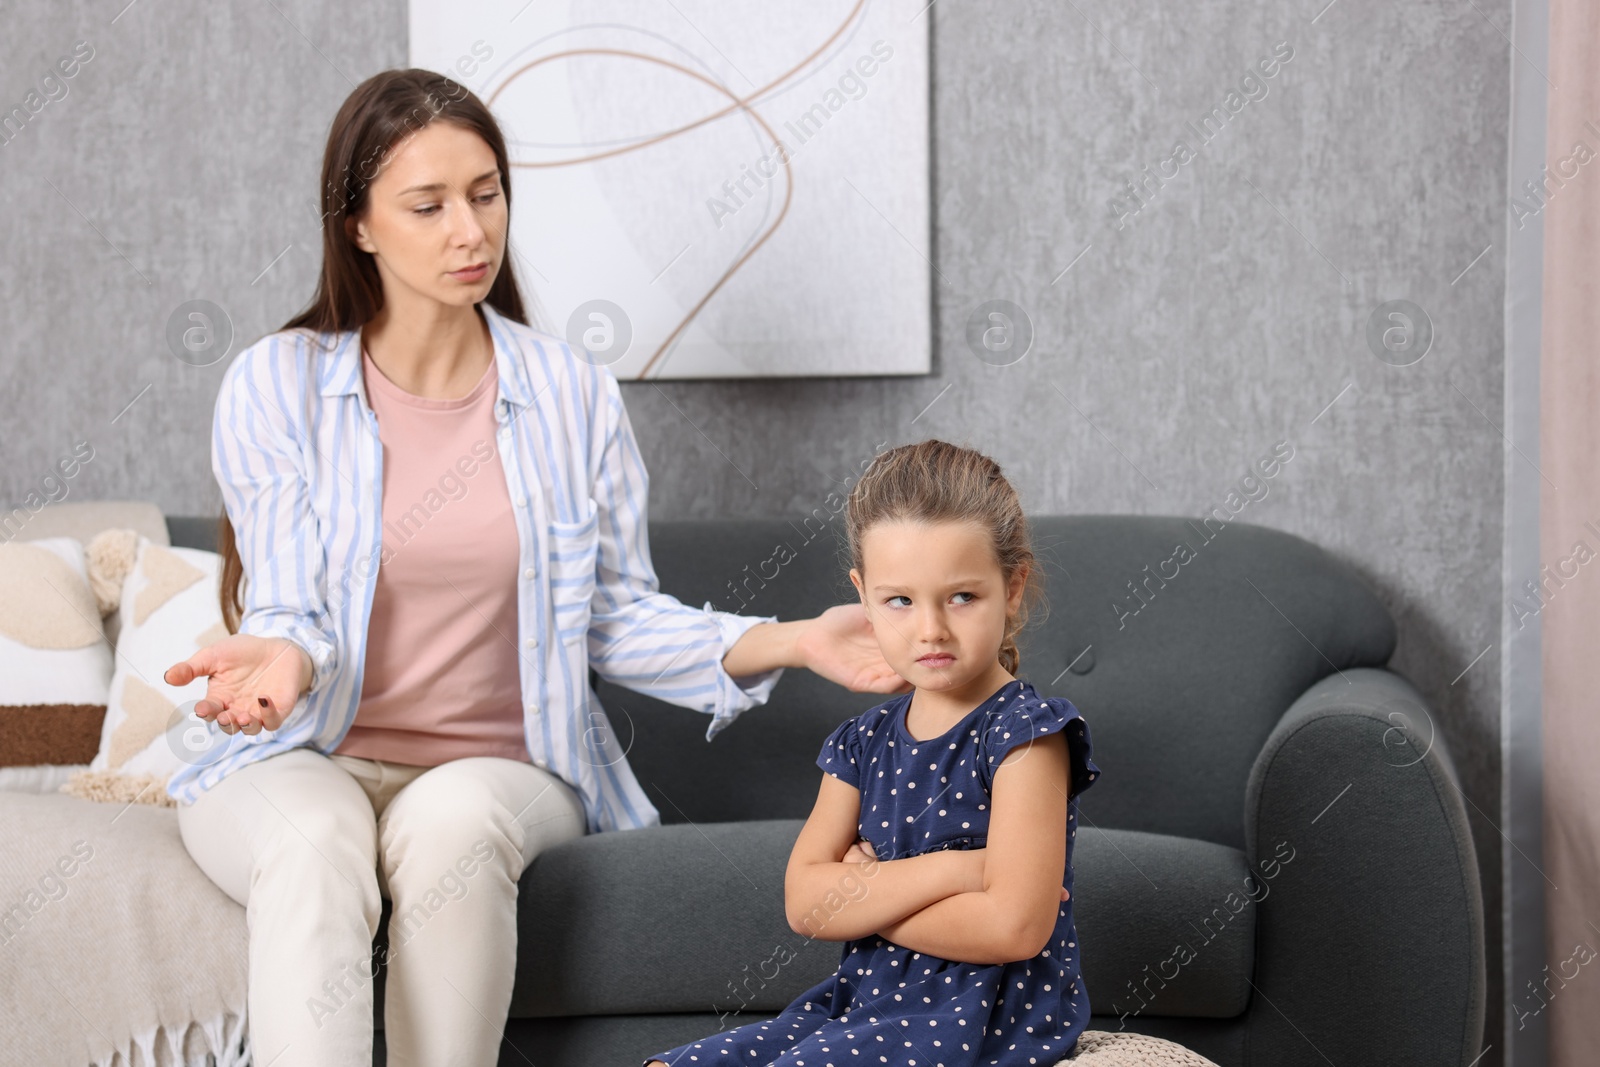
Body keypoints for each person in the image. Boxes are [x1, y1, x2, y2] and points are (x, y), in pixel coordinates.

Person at [159, 68, 908, 1067]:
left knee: (456, 825)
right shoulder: (277, 381)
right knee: (311, 845)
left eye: (485, 193)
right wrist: (289, 655)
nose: (469, 230)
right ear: (360, 226)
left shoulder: (569, 394)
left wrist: (802, 640)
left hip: (503, 762)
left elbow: (612, 615)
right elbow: (290, 590)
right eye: (427, 205)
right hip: (305, 748)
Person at [645, 439, 1101, 1066]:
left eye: (963, 597)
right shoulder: (862, 742)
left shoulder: (1025, 735)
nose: (931, 628)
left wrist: (866, 897)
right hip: (865, 1002)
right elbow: (806, 904)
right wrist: (960, 872)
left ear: (1013, 587)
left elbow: (1013, 927)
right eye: (900, 601)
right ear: (863, 597)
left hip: (985, 1014)